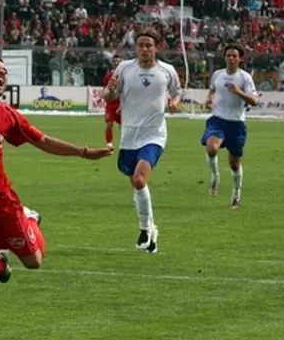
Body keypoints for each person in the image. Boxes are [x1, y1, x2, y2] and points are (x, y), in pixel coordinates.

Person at [0, 0, 113, 291]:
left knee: (34, 261)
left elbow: (43, 141)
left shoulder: (8, 116)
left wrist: (84, 152)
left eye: (5, 71)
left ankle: (29, 217)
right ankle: (0, 262)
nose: (2, 73)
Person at [102, 30, 182, 253]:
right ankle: (152, 229)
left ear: (157, 47)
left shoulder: (167, 71)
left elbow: (177, 91)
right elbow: (109, 96)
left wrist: (174, 102)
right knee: (138, 187)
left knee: (139, 180)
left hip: (154, 135)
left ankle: (145, 229)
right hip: (129, 136)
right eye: (140, 45)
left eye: (149, 45)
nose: (144, 49)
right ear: (136, 48)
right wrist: (109, 89)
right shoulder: (125, 69)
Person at [200, 44, 258, 208]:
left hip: (236, 123)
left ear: (240, 59)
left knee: (234, 163)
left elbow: (254, 101)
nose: (231, 58)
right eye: (228, 55)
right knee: (211, 148)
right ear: (224, 57)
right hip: (217, 119)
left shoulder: (245, 78)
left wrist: (239, 91)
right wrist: (209, 99)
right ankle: (215, 176)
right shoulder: (217, 74)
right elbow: (212, 90)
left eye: (234, 56)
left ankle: (236, 193)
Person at [102, 54, 122, 149]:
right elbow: (105, 88)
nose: (116, 63)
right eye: (115, 61)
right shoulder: (108, 75)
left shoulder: (124, 75)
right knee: (109, 124)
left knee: (123, 126)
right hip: (110, 104)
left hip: (121, 104)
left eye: (118, 61)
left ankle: (125, 143)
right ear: (112, 63)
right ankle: (109, 144)